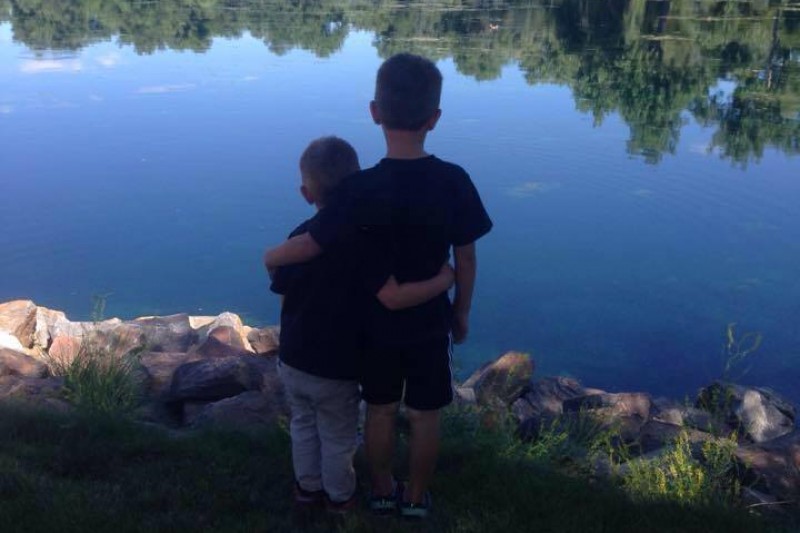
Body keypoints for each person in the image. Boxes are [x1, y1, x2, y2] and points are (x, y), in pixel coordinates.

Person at [265, 53, 492, 518]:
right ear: (434, 118)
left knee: (382, 409)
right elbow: (466, 258)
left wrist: (270, 258)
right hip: (430, 325)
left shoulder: (357, 190)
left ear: (374, 112)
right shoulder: (454, 181)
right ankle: (416, 497)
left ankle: (384, 489)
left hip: (376, 329)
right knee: (425, 415)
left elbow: (315, 241)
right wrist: (461, 310)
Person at [269, 135, 455, 515]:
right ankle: (340, 497)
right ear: (358, 186)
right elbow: (388, 296)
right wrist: (445, 280)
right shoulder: (361, 242)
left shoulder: (298, 239)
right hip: (334, 366)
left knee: (303, 425)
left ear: (306, 193)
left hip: (293, 359)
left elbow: (284, 295)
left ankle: (307, 489)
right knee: (337, 435)